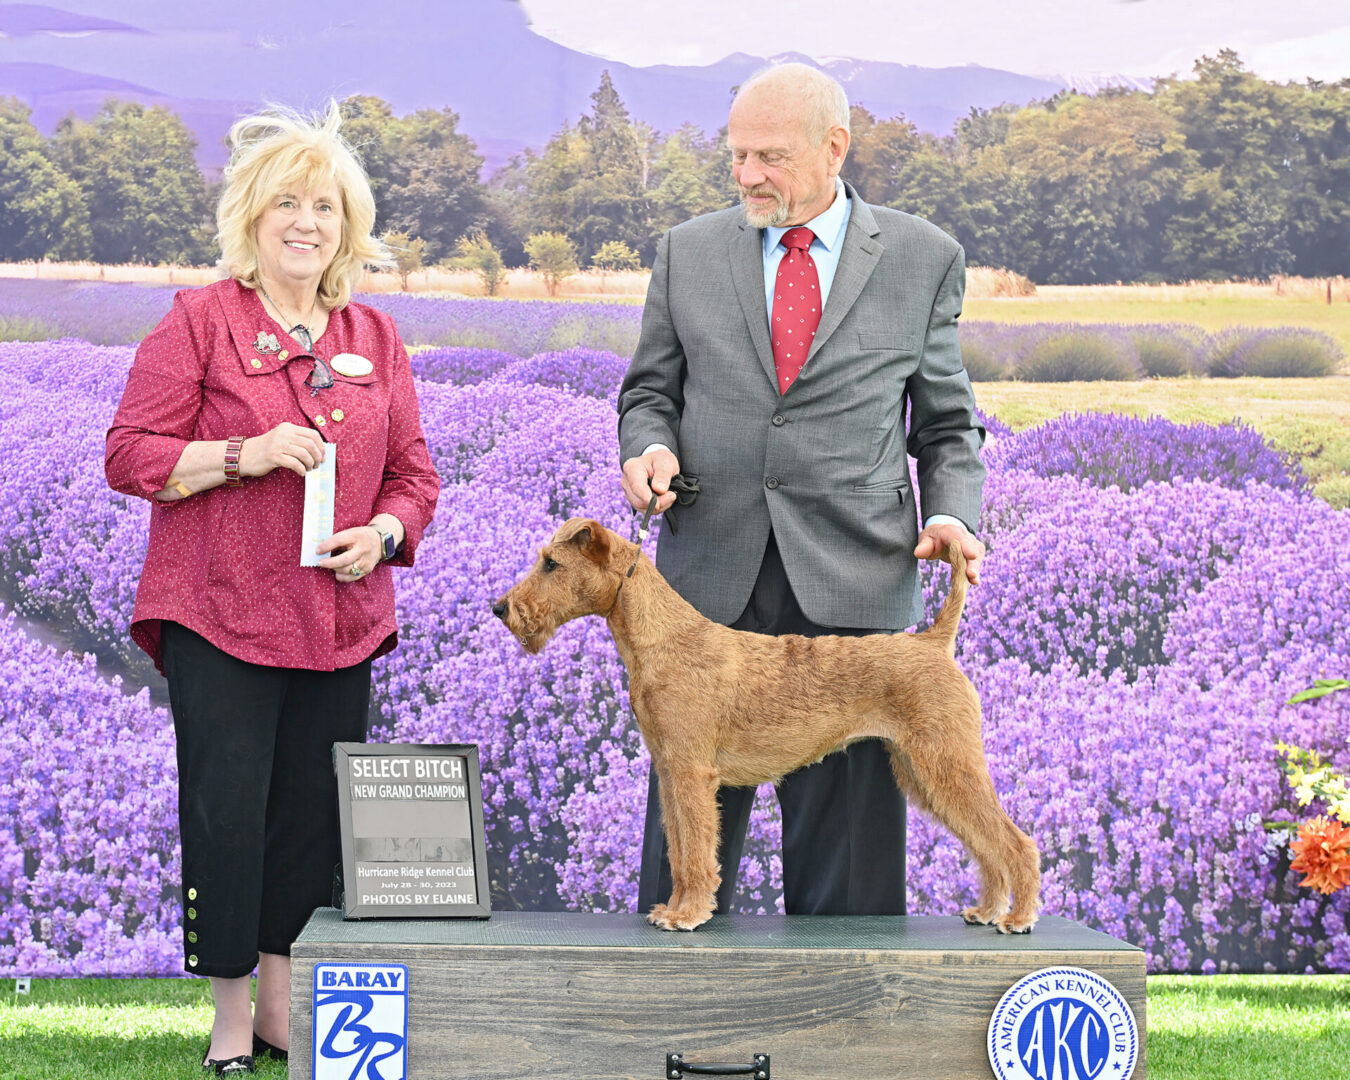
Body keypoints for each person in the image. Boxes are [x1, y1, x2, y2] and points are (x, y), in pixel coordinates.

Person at [105, 104, 439, 1076]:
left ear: (349, 227)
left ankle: (284, 1012)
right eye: (287, 201)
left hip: (339, 621)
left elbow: (416, 476)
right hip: (220, 611)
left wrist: (383, 535)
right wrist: (241, 454)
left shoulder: (376, 335)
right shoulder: (200, 323)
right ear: (252, 216)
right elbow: (130, 456)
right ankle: (226, 1014)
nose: (308, 221)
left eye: (326, 207)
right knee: (226, 812)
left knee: (309, 817)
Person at [618, 63, 987, 921]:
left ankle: (847, 1040)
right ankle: (670, 1032)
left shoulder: (923, 258)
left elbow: (945, 425)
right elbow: (648, 395)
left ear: (834, 149)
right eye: (738, 155)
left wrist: (950, 513)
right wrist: (648, 447)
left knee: (851, 880)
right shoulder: (688, 252)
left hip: (854, 589)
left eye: (770, 157)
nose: (748, 175)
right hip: (708, 587)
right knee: (685, 859)